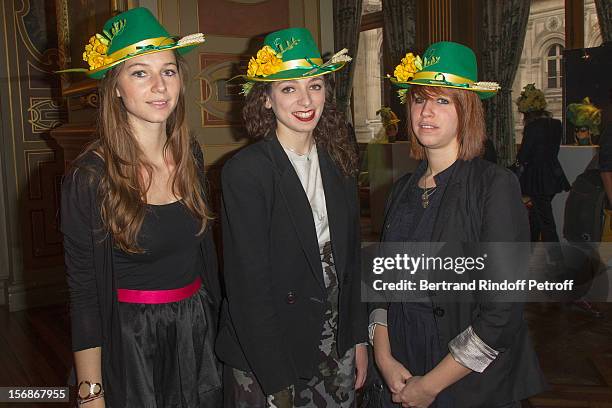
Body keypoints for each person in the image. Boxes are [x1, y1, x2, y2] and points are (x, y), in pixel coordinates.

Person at [369, 42, 547, 407]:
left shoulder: (493, 186)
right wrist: (384, 358)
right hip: (400, 363)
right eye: (419, 100)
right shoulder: (401, 189)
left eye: (442, 101)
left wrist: (430, 386)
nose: (426, 112)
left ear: (467, 111)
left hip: (463, 376)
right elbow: (383, 284)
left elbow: (502, 311)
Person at [59, 8, 222, 407]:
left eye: (168, 71)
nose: (159, 86)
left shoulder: (191, 156)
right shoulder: (90, 176)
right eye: (140, 73)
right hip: (132, 344)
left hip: (196, 335)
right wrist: (90, 394)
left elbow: (205, 261)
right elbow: (84, 295)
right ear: (115, 87)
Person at [216, 28, 368, 407]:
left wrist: (357, 339)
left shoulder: (341, 160)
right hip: (268, 347)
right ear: (265, 99)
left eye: (314, 86)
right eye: (288, 88)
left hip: (335, 340)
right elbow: (247, 287)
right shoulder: (245, 172)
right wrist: (276, 380)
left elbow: (352, 262)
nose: (305, 100)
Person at [516, 83, 570, 242]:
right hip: (553, 175)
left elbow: (524, 155)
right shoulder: (556, 124)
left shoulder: (532, 127)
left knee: (545, 221)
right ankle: (531, 252)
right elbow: (552, 151)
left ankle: (555, 258)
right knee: (536, 216)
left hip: (538, 179)